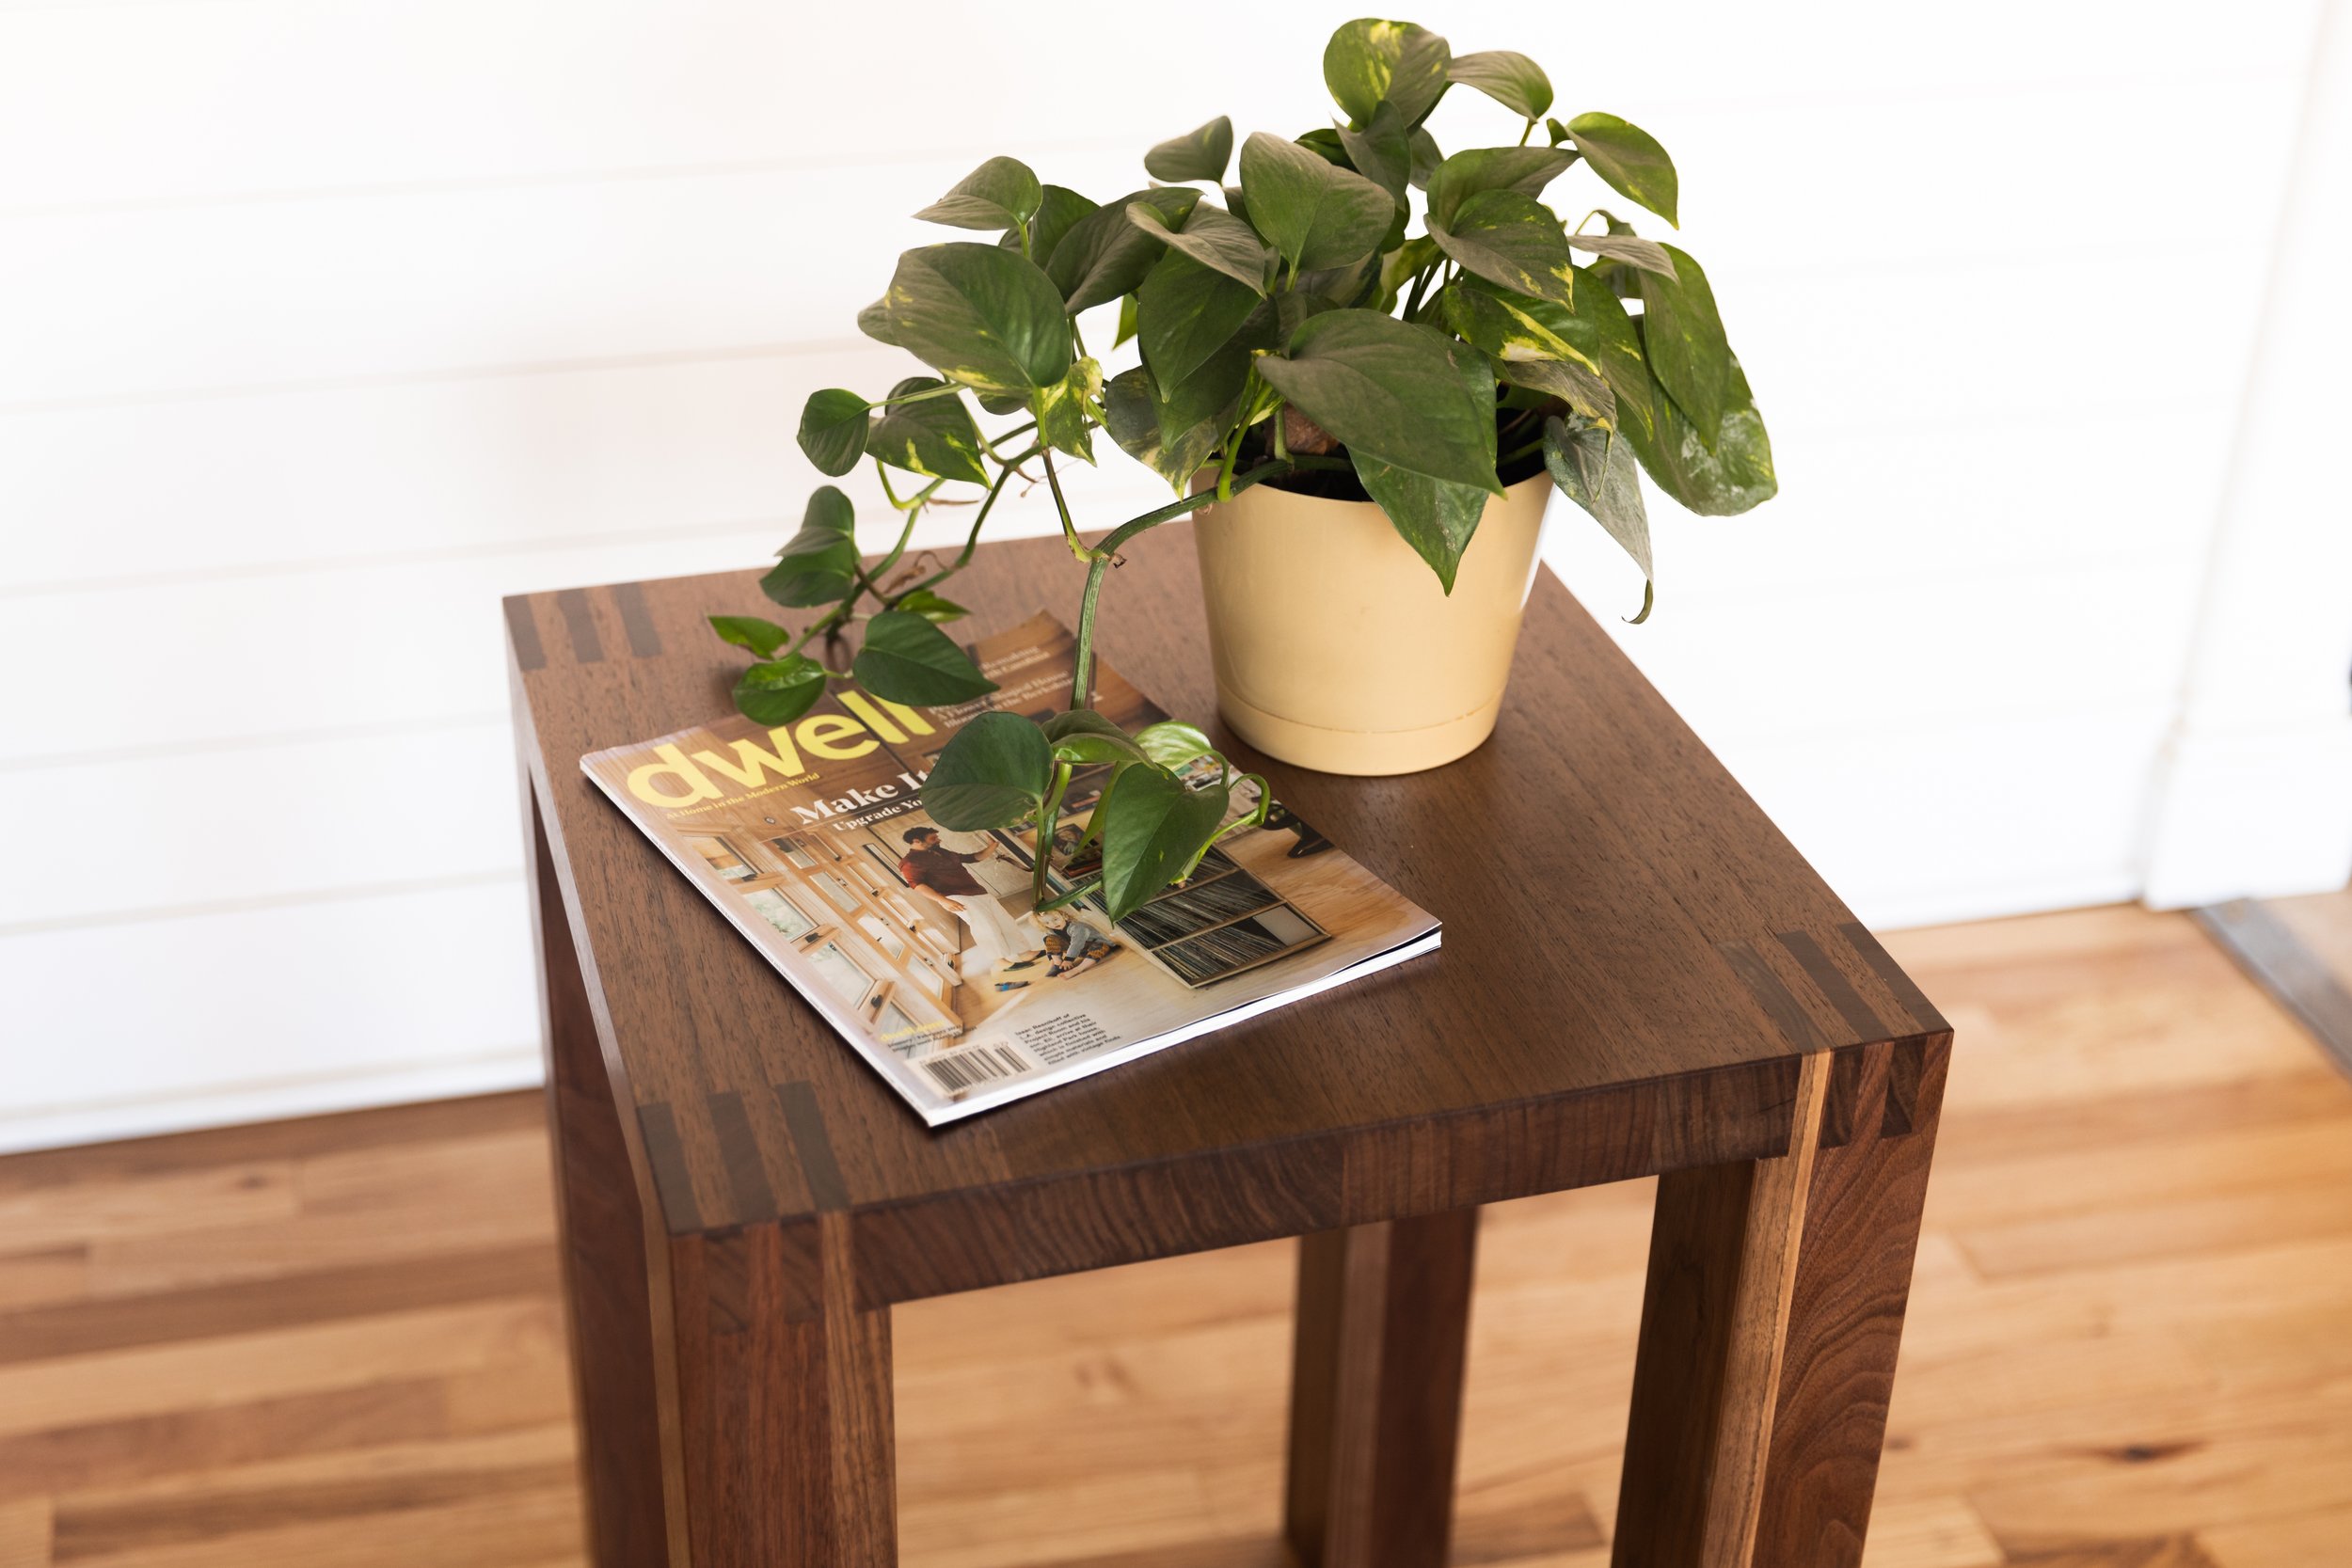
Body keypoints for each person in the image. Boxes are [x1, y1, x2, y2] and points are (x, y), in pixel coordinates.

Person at [898, 827, 1035, 973]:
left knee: (1004, 921)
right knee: (985, 926)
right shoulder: (909, 863)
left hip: (977, 891)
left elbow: (972, 858)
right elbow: (917, 885)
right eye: (933, 838)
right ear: (916, 841)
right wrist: (942, 900)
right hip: (954, 896)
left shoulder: (941, 851)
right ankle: (1000, 961)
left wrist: (993, 846)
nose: (938, 840)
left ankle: (1024, 953)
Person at [1036, 908, 1119, 979]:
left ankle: (1077, 969)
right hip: (1081, 952)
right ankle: (1057, 964)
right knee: (1049, 938)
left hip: (1097, 946)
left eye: (1055, 919)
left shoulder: (1077, 927)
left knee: (1099, 946)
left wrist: (1069, 959)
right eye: (1047, 923)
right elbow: (1049, 944)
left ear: (1063, 915)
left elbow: (1077, 943)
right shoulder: (1051, 930)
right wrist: (1054, 959)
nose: (1053, 924)